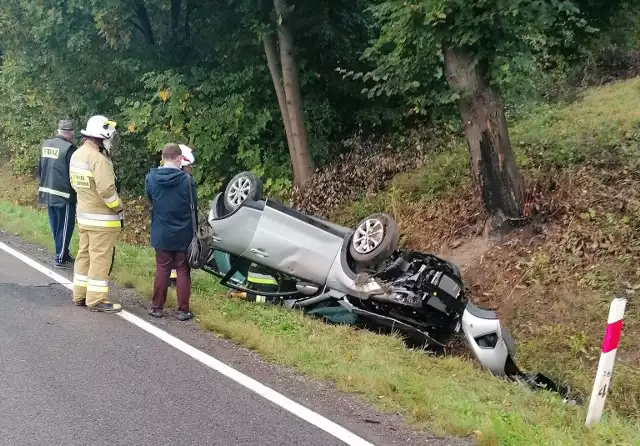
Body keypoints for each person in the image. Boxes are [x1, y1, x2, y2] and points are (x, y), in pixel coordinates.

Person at [69, 115, 124, 313]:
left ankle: (80, 295)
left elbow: (77, 185)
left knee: (84, 255)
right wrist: (119, 207)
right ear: (102, 136)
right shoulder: (99, 160)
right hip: (103, 221)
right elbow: (107, 190)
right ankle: (96, 299)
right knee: (100, 258)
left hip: (83, 216)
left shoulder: (77, 155)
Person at [145, 143, 197, 321]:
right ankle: (183, 310)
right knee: (183, 269)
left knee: (162, 269)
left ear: (163, 157)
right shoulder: (187, 180)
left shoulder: (151, 178)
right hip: (183, 231)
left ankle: (157, 308)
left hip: (161, 230)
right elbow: (193, 205)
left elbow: (151, 198)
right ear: (178, 158)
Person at [37, 119, 78, 268]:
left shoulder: (46, 144)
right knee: (66, 226)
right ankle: (60, 257)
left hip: (48, 190)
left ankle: (63, 253)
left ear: (58, 130)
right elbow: (72, 173)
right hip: (64, 194)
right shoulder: (69, 148)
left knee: (55, 225)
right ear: (71, 132)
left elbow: (40, 169)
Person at [169, 144, 195, 286]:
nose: (190, 170)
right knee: (181, 262)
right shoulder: (187, 182)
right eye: (189, 166)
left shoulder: (158, 177)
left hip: (164, 228)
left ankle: (171, 278)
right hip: (182, 227)